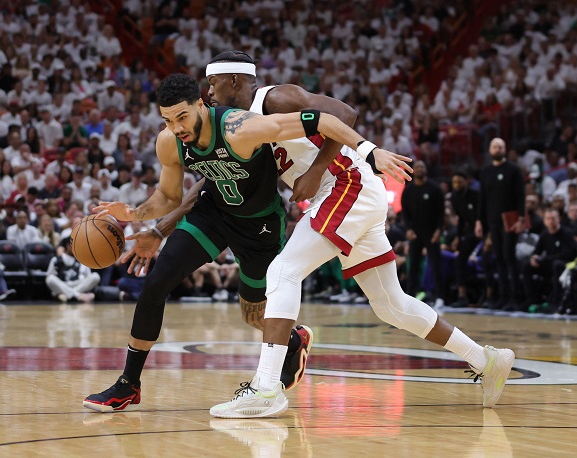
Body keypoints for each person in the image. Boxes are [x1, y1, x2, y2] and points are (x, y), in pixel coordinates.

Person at [197, 52, 513, 418]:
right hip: (347, 194)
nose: (209, 92)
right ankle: (486, 359)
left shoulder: (274, 98)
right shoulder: (237, 122)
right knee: (391, 305)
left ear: (234, 80)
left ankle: (266, 388)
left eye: (213, 82)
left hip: (346, 184)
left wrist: (318, 170)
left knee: (283, 271)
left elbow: (344, 114)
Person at [83, 72, 410, 413]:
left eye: (182, 116)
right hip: (212, 214)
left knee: (255, 315)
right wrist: (135, 213)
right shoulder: (169, 140)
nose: (177, 127)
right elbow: (168, 195)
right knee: (156, 282)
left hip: (259, 225)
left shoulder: (241, 127)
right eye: (168, 120)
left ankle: (294, 338)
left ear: (200, 104)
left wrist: (368, 151)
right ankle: (128, 385)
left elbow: (326, 119)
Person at [475, 138, 526, 311]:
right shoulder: (486, 171)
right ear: (490, 150)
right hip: (492, 221)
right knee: (499, 259)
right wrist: (478, 221)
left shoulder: (513, 170)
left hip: (510, 221)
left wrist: (521, 218)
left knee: (509, 257)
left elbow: (521, 196)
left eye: (501, 147)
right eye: (495, 147)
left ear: (505, 149)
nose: (498, 149)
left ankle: (515, 297)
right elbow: (482, 198)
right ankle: (503, 297)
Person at [400, 161, 445, 305]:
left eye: (422, 167)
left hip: (432, 233)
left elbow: (441, 212)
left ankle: (440, 297)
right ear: (413, 171)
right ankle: (411, 297)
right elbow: (405, 213)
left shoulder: (434, 188)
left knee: (435, 265)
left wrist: (439, 229)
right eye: (417, 167)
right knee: (412, 265)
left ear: (426, 170)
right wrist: (408, 229)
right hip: (415, 234)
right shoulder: (409, 189)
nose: (420, 169)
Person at [521, 208, 577, 312]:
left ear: (559, 219)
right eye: (548, 218)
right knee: (527, 266)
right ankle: (532, 299)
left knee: (556, 265)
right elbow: (536, 251)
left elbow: (567, 255)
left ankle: (556, 302)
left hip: (565, 266)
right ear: (544, 221)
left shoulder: (567, 233)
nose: (551, 221)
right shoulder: (544, 234)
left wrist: (544, 259)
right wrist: (533, 257)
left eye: (553, 218)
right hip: (549, 264)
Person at [448, 170, 480, 307]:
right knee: (460, 259)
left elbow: (482, 215)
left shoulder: (475, 195)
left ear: (466, 181)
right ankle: (462, 296)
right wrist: (458, 237)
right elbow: (461, 220)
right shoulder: (454, 197)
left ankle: (491, 296)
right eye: (454, 182)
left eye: (459, 181)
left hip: (483, 230)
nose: (457, 184)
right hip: (469, 233)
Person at [45, 237, 100, 303]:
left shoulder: (82, 260)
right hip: (63, 284)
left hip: (78, 284)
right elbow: (50, 277)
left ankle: (65, 295)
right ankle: (78, 296)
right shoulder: (56, 259)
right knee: (50, 278)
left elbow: (88, 277)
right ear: (67, 246)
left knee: (95, 276)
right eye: (73, 245)